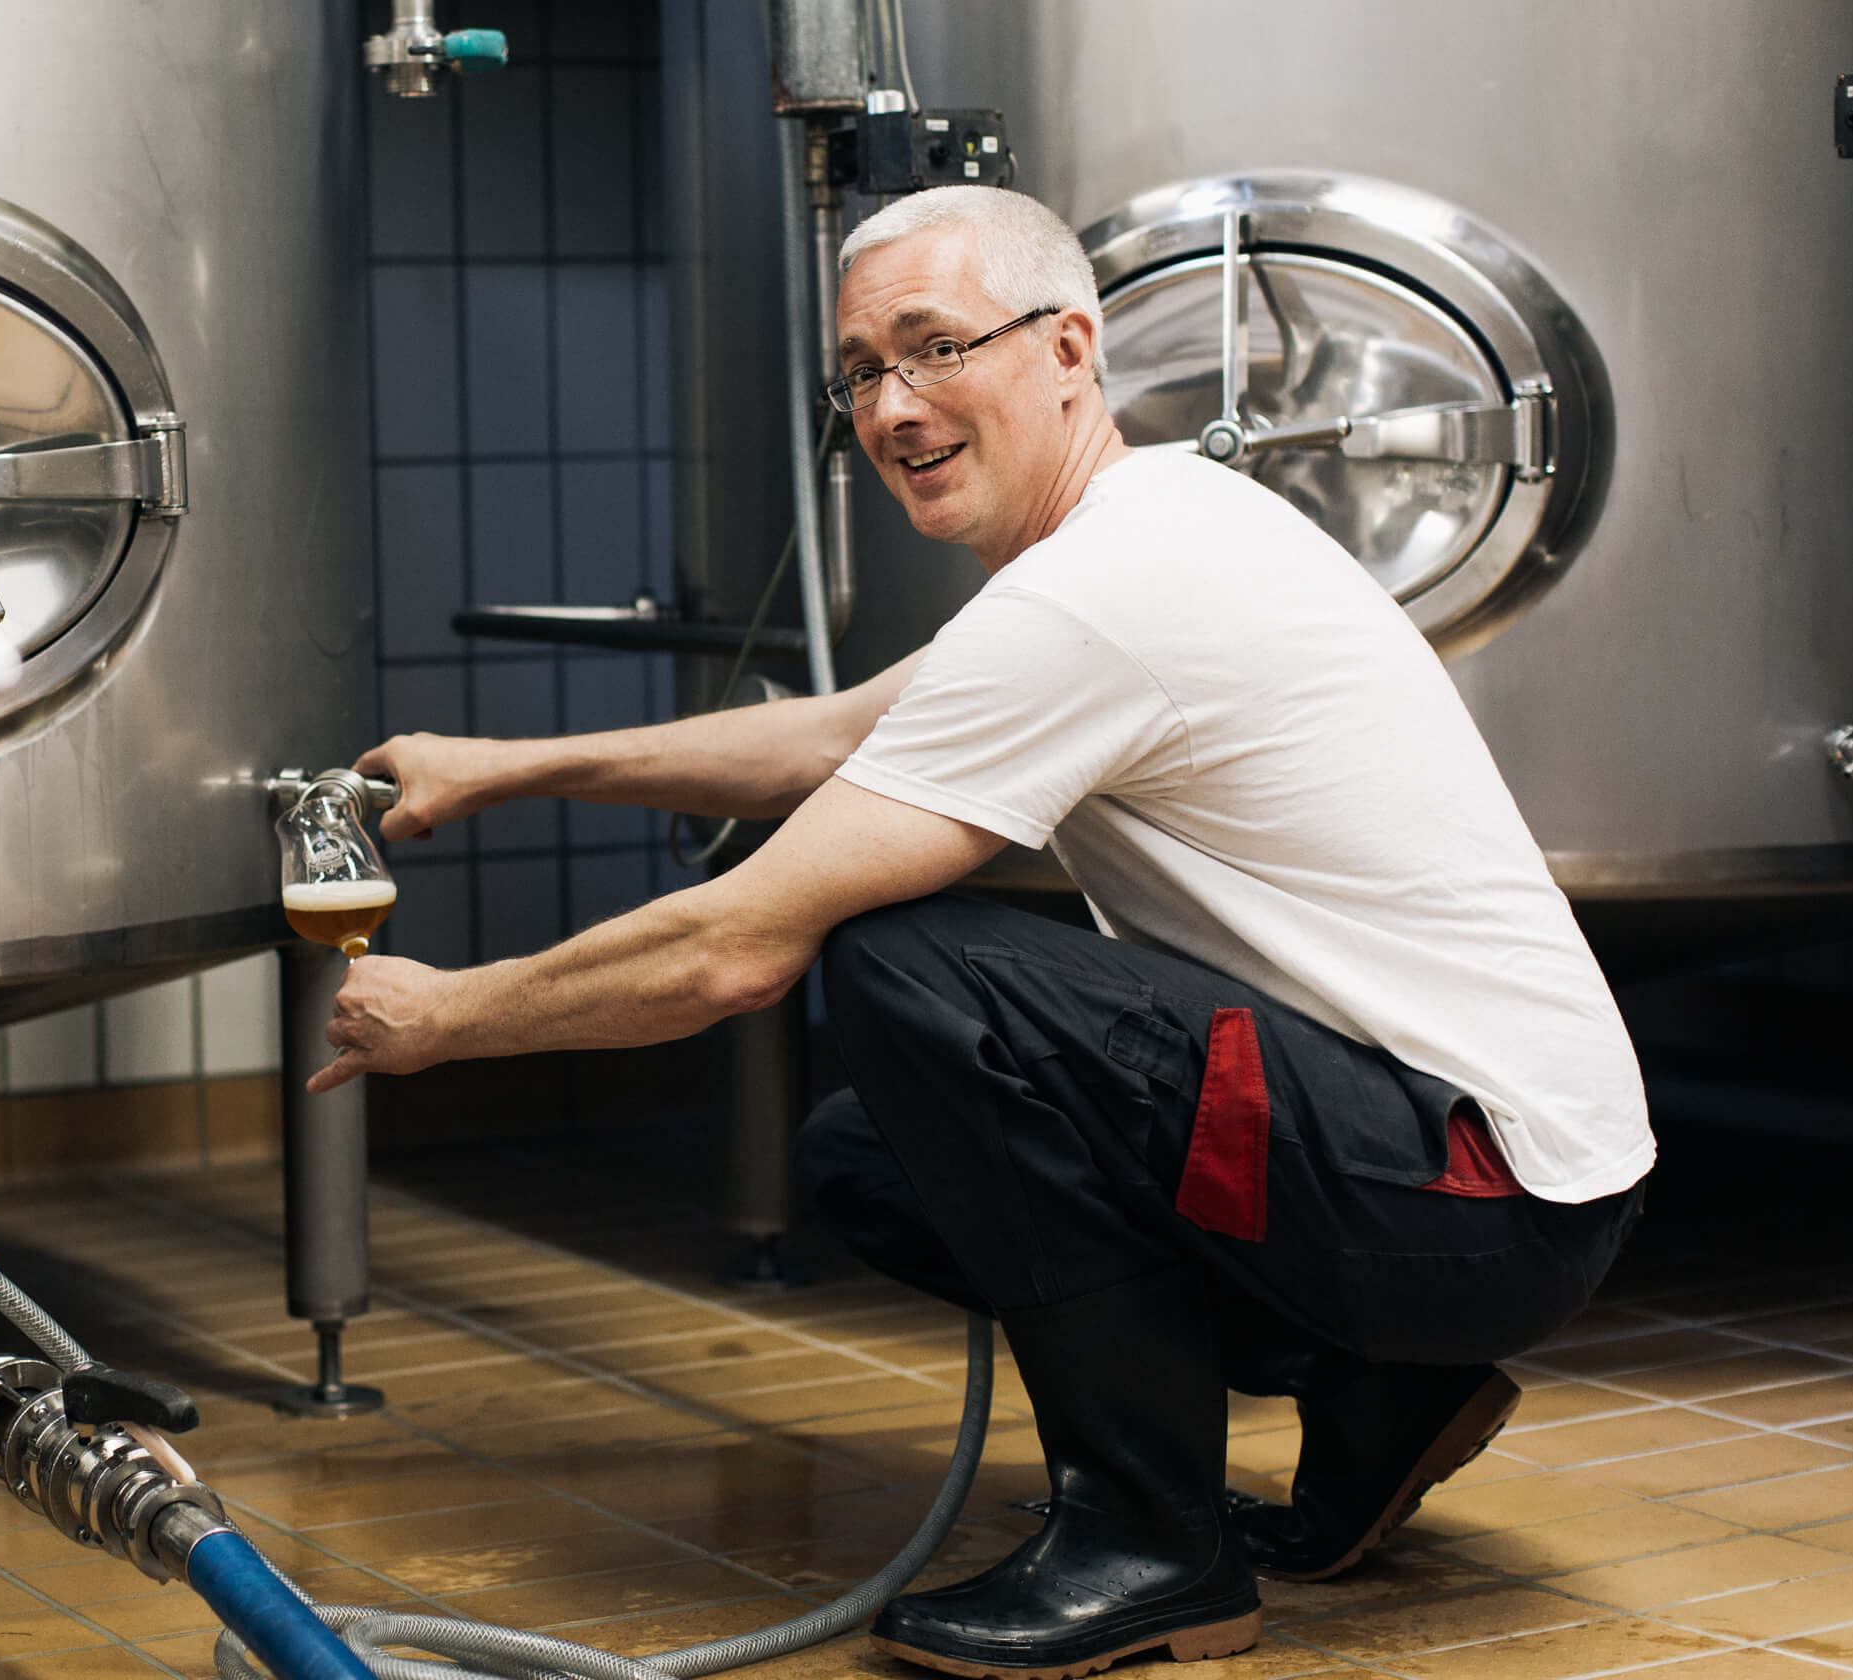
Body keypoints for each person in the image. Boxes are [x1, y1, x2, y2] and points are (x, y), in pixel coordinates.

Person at [318, 185, 1652, 1680]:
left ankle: (1155, 1545)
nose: (893, 407)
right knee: (869, 1161)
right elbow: (832, 735)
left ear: (1070, 347)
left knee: (913, 966)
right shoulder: (1138, 539)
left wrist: (449, 1020)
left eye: (937, 348)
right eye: (862, 372)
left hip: (1476, 1189)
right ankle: (1369, 1389)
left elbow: (738, 946)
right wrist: (510, 768)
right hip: (1467, 1167)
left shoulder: (1106, 594)